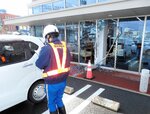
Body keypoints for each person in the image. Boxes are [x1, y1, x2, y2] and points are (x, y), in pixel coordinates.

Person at [36, 25, 71, 114]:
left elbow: (39, 64)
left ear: (48, 36)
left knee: (51, 103)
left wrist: (41, 53)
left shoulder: (47, 48)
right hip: (63, 81)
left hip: (52, 83)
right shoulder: (65, 47)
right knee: (59, 100)